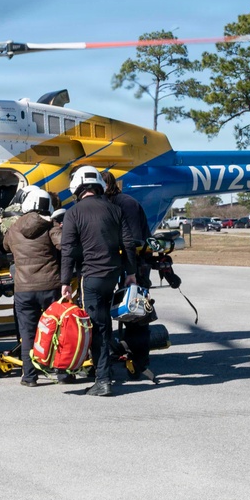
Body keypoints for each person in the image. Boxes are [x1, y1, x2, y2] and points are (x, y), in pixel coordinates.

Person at [60, 166, 137, 397]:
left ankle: (102, 379)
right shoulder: (115, 209)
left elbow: (68, 250)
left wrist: (65, 280)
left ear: (77, 187)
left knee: (96, 327)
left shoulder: (73, 213)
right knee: (104, 323)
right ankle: (103, 373)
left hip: (90, 276)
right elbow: (129, 243)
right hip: (112, 275)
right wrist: (130, 272)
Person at [2, 187, 62, 387]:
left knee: (28, 333)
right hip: (50, 286)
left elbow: (5, 246)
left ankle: (29, 376)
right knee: (56, 330)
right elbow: (64, 244)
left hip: (24, 289)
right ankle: (62, 372)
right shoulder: (51, 225)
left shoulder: (15, 227)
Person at [103, 171, 156, 383]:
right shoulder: (119, 203)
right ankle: (125, 356)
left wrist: (130, 272)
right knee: (128, 315)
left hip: (134, 265)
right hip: (124, 265)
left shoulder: (125, 204)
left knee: (135, 314)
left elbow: (133, 241)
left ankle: (139, 362)